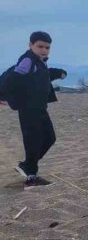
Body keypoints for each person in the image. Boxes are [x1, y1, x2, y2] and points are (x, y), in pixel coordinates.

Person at [0, 31, 67, 188]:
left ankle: (28, 166)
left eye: (47, 47)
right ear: (30, 45)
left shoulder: (38, 62)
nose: (44, 50)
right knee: (33, 142)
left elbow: (40, 76)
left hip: (39, 109)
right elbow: (11, 79)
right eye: (40, 46)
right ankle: (31, 177)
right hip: (28, 109)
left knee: (49, 138)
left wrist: (58, 73)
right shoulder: (28, 61)